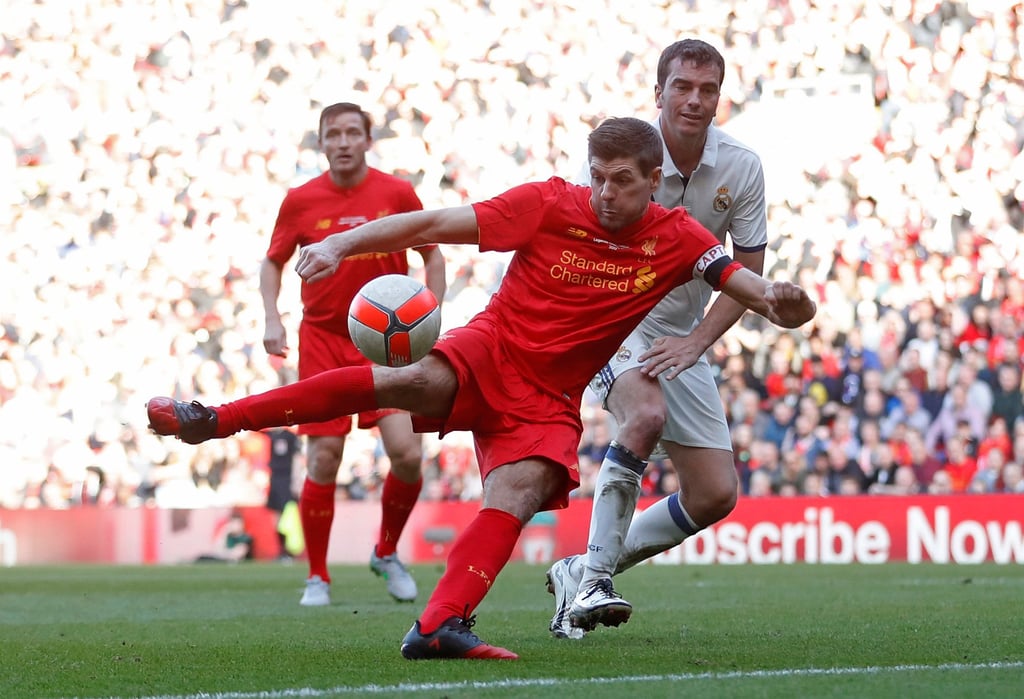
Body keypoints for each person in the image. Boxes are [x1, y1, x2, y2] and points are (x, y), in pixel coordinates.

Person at [147, 116, 816, 660]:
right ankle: (217, 417)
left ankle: (439, 625)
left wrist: (787, 302)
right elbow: (432, 224)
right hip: (490, 351)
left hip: (551, 398)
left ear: (654, 182)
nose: (606, 194)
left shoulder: (679, 238)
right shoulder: (549, 202)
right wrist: (338, 249)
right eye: (599, 178)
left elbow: (755, 291)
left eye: (622, 182)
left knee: (518, 493)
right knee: (406, 379)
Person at [545, 39, 771, 639]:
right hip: (609, 313)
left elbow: (747, 276)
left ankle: (583, 568)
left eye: (707, 90)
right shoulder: (618, 153)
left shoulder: (742, 167)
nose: (694, 101)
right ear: (659, 93)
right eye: (682, 87)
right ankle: (594, 583)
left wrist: (698, 340)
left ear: (719, 98)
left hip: (680, 333)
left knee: (715, 494)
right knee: (642, 415)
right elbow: (573, 242)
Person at [260, 102, 446, 606]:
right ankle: (317, 576)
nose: (342, 142)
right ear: (321, 143)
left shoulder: (396, 192)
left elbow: (433, 252)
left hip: (388, 343)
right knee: (324, 457)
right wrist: (272, 317)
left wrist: (432, 315)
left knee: (407, 454)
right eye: (332, 134)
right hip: (322, 339)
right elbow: (272, 261)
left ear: (367, 140)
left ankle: (385, 551)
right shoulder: (300, 200)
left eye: (351, 133)